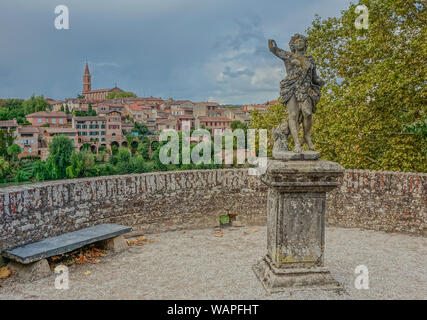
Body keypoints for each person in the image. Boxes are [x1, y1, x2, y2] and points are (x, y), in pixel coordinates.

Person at [268, 33, 325, 152]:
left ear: (305, 44)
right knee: (293, 115)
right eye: (297, 42)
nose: (299, 43)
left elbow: (314, 77)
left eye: (301, 41)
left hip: (306, 89)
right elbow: (275, 50)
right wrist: (271, 44)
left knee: (307, 113)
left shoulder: (310, 60)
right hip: (291, 88)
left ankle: (307, 136)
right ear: (293, 45)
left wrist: (319, 81)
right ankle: (297, 143)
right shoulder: (289, 57)